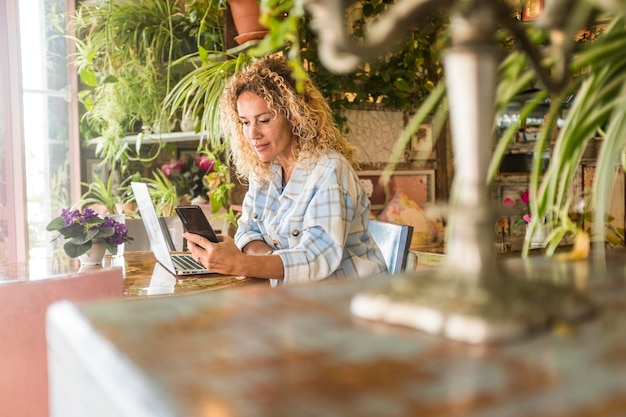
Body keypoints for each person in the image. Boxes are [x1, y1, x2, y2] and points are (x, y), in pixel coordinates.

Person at [184, 54, 387, 285]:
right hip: (298, 299)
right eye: (245, 122)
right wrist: (271, 261)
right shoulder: (264, 171)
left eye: (264, 120)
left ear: (294, 116)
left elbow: (316, 259)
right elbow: (247, 232)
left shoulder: (329, 170)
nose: (252, 134)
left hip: (349, 302)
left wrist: (241, 263)